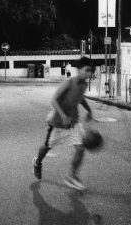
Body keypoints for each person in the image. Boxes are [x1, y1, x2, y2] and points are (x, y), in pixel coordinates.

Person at [32, 57, 93, 190]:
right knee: (47, 146)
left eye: (90, 71)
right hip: (58, 123)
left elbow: (80, 97)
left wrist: (89, 110)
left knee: (80, 149)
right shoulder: (68, 83)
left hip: (74, 122)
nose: (89, 73)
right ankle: (37, 162)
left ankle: (72, 176)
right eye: (86, 70)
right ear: (79, 70)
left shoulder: (84, 85)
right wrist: (63, 116)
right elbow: (54, 100)